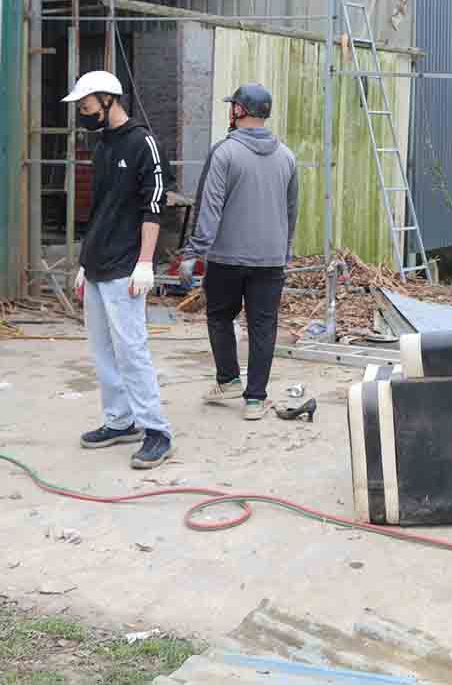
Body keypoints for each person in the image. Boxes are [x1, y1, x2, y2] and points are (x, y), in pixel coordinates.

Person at [64, 70, 174, 469]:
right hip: (98, 264)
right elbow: (100, 209)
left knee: (132, 350)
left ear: (108, 99)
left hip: (127, 266)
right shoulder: (103, 146)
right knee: (102, 350)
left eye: (87, 104)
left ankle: (156, 429)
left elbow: (154, 206)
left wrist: (145, 262)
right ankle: (119, 420)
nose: (83, 111)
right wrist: (84, 261)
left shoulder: (143, 142)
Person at [182, 83, 298, 421]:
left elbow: (209, 207)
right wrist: (284, 253)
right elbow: (292, 213)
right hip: (270, 260)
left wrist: (194, 252)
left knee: (220, 316)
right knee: (263, 326)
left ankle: (229, 378)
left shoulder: (224, 153)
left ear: (238, 111)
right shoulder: (287, 156)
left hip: (226, 258)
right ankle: (255, 400)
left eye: (232, 106)